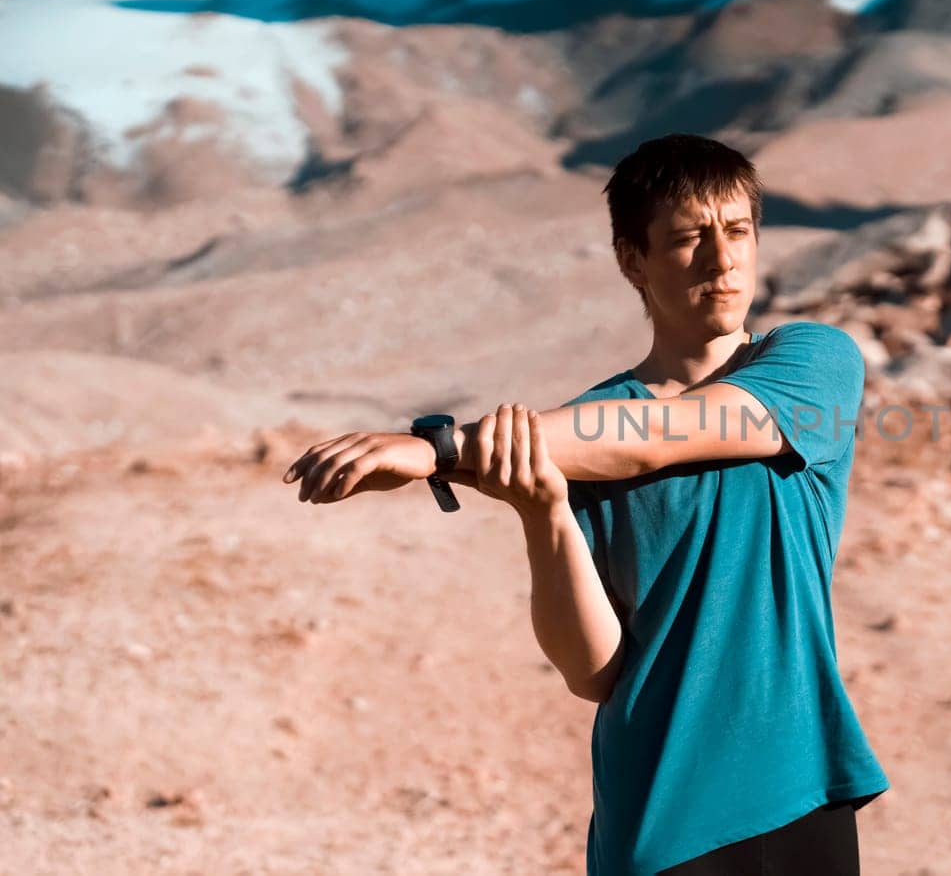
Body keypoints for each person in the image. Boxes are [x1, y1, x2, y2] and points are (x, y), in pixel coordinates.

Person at [280, 133, 890, 874]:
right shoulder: (578, 434)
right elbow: (595, 672)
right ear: (633, 259)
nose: (723, 260)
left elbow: (667, 435)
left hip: (803, 788)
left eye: (738, 232)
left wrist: (437, 450)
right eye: (689, 237)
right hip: (661, 819)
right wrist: (545, 513)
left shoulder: (812, 362)